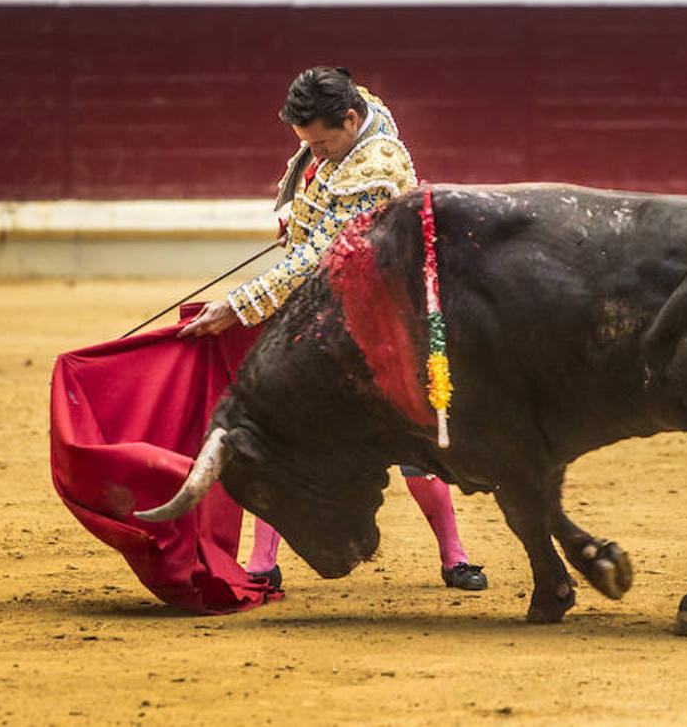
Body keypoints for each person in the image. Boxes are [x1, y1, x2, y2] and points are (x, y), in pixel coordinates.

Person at [178, 66, 489, 592]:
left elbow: (320, 257)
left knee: (412, 436)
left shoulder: (374, 167)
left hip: (381, 318)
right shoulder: (358, 109)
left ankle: (454, 555)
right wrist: (299, 218)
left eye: (322, 143)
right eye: (307, 144)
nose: (315, 154)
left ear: (350, 120)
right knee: (282, 427)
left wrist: (239, 303)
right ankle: (261, 561)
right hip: (326, 315)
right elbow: (315, 228)